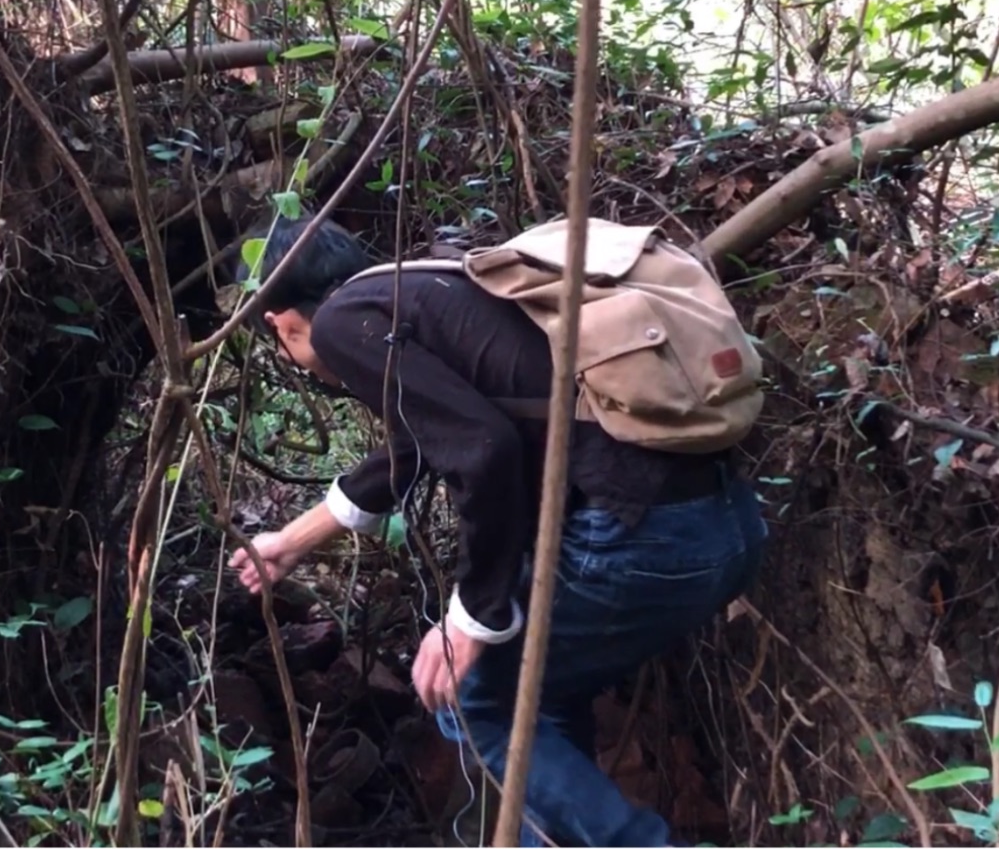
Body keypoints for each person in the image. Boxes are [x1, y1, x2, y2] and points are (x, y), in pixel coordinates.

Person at [227, 215, 767, 847]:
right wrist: (291, 542)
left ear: (276, 320)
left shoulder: (345, 320)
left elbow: (483, 450)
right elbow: (421, 445)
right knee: (540, 701)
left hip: (638, 541)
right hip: (722, 529)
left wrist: (471, 620)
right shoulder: (421, 288)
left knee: (474, 697)